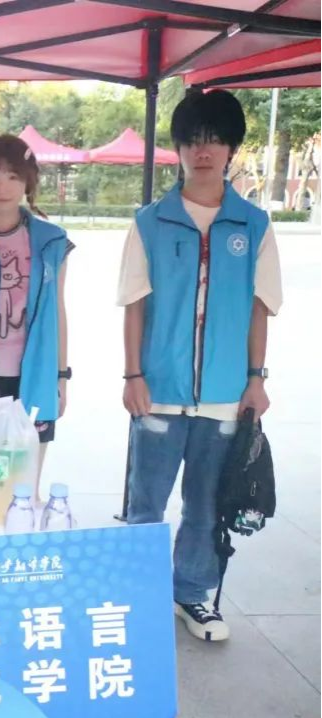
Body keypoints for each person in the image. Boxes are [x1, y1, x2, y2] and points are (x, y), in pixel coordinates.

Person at [117, 89, 282, 642]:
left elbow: (260, 308)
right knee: (146, 504)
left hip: (225, 395)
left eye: (214, 139)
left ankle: (192, 595)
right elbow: (134, 304)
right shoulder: (150, 222)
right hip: (159, 391)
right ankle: (137, 596)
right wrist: (132, 375)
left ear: (231, 147)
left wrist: (256, 380)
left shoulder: (253, 225)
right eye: (192, 140)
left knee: (206, 506)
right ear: (179, 149)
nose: (203, 150)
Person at [0, 134, 73, 503]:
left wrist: (61, 376)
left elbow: (58, 310)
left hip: (34, 376)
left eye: (12, 176)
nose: (2, 187)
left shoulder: (52, 241)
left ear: (28, 182)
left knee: (24, 488)